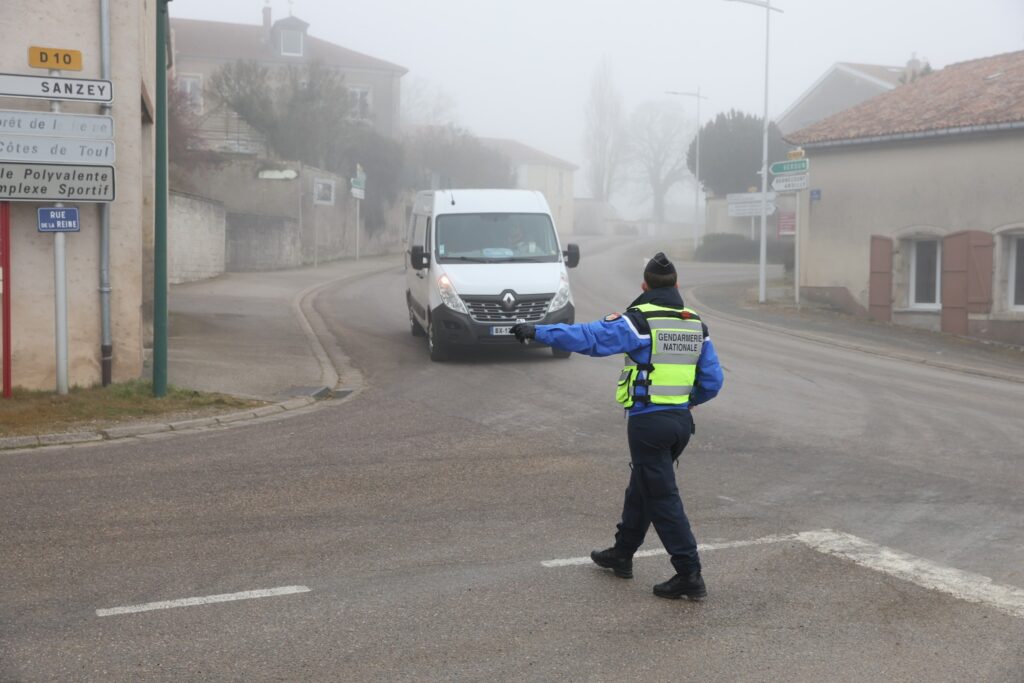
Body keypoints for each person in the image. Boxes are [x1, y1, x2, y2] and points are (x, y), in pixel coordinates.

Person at [510, 252, 723, 600]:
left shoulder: (639, 322)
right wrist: (686, 401)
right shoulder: (694, 323)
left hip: (648, 424)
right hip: (680, 423)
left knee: (662, 497)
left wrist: (539, 331)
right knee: (644, 486)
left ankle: (689, 573)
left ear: (644, 286)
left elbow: (590, 338)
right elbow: (712, 380)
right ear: (677, 286)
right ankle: (622, 553)